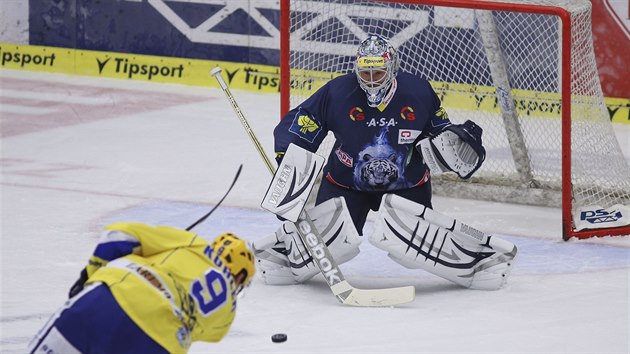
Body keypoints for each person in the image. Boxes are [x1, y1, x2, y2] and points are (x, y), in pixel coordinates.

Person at [252, 34, 514, 290]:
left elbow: (440, 132)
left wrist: (459, 143)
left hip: (407, 184)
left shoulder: (418, 92)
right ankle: (279, 257)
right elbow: (303, 121)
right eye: (366, 74)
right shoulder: (338, 92)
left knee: (409, 253)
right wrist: (288, 160)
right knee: (335, 248)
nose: (372, 80)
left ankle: (480, 263)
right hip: (346, 183)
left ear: (392, 68)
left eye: (378, 73)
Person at [28, 222, 256, 354]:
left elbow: (117, 236)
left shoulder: (194, 243)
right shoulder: (228, 315)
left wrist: (89, 275)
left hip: (109, 299)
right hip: (157, 343)